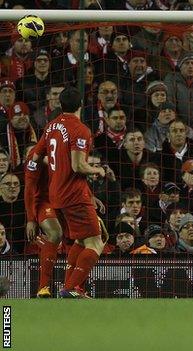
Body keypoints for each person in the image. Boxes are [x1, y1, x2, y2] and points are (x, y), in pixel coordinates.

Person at [31, 87, 106, 298]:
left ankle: (72, 288)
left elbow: (36, 157)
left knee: (82, 241)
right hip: (73, 195)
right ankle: (70, 288)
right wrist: (97, 169)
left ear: (61, 105)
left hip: (55, 194)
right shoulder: (80, 129)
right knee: (96, 242)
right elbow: (78, 166)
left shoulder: (51, 126)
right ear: (81, 105)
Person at [24, 148, 65, 298]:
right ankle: (43, 287)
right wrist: (31, 219)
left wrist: (89, 196)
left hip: (64, 199)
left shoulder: (66, 150)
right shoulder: (34, 157)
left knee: (85, 236)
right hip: (44, 201)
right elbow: (29, 190)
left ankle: (74, 287)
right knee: (55, 233)